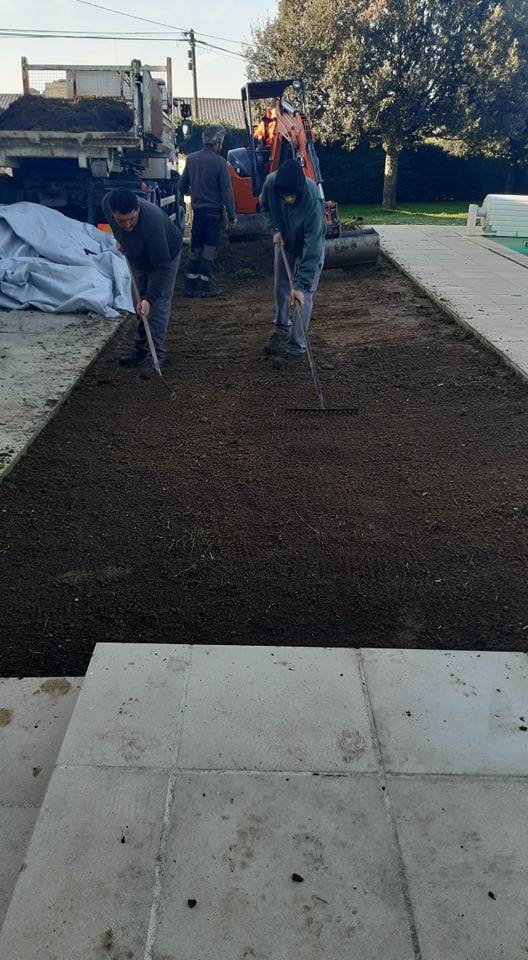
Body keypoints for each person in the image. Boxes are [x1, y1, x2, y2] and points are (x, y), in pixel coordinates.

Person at [102, 187, 183, 374]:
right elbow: (118, 228)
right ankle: (139, 351)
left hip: (166, 257)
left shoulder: (152, 224)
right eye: (122, 221)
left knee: (156, 305)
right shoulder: (108, 203)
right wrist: (121, 237)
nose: (128, 224)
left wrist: (149, 298)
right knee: (137, 303)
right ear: (113, 213)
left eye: (132, 219)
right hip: (138, 256)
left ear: (138, 208)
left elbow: (162, 268)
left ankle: (157, 356)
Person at [259, 158, 326, 370]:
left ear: (298, 192)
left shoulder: (312, 198)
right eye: (284, 196)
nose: (287, 199)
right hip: (286, 241)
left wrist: (301, 284)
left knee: (301, 297)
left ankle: (297, 348)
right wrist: (274, 229)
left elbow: (313, 244)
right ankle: (281, 329)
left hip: (309, 245)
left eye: (292, 196)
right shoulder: (271, 184)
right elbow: (264, 207)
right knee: (281, 287)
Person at [179, 126, 237, 298]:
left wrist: (193, 192)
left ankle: (190, 285)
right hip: (214, 212)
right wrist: (232, 216)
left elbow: (181, 186)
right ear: (217, 143)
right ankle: (205, 285)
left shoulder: (191, 159)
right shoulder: (220, 162)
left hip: (198, 211)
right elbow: (227, 192)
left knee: (196, 247)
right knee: (209, 248)